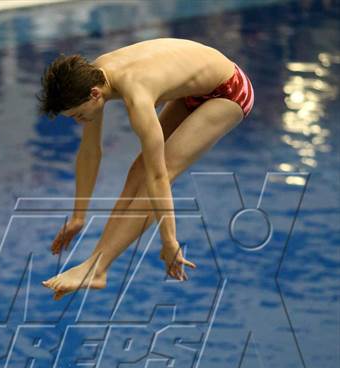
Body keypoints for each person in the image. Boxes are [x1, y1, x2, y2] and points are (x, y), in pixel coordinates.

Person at [37, 38, 254, 300]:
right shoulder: (92, 77)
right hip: (195, 88)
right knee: (137, 171)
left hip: (229, 91)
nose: (80, 121)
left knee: (161, 168)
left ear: (94, 94)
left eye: (78, 115)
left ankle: (97, 268)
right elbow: (90, 152)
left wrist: (169, 241)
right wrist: (78, 216)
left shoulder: (137, 96)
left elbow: (160, 176)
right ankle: (95, 265)